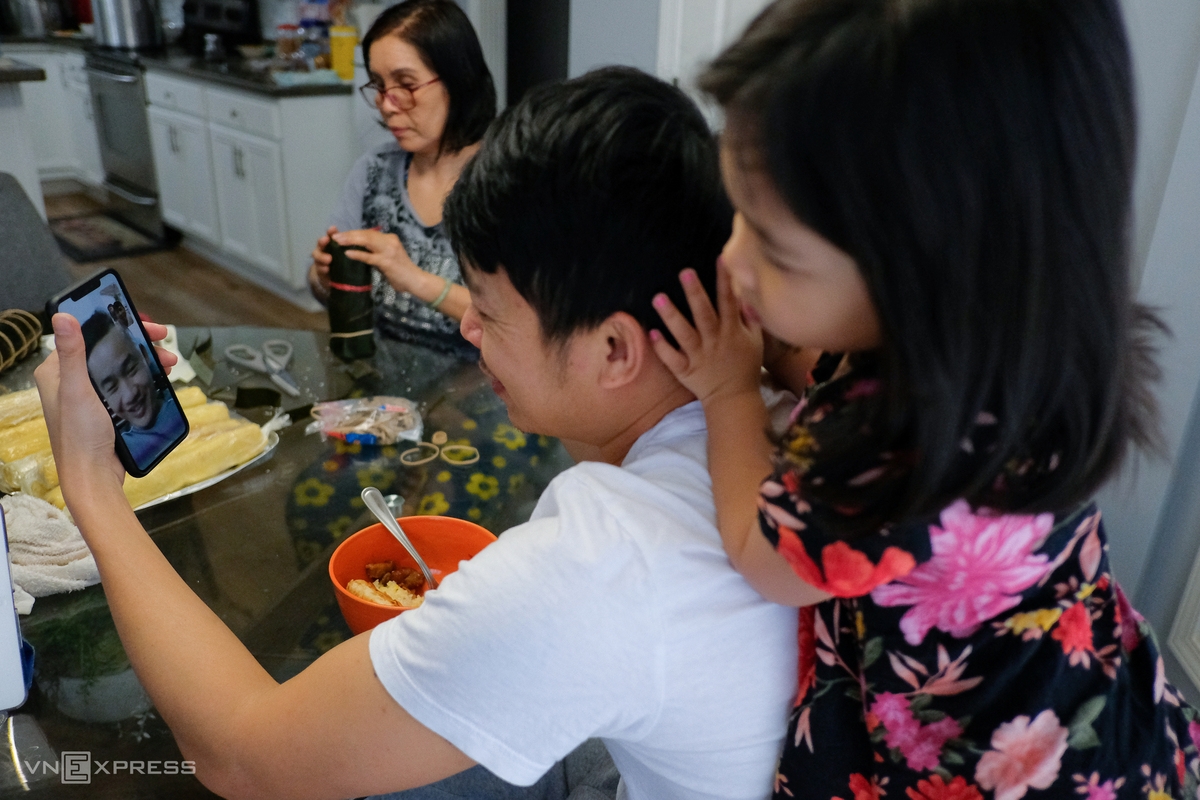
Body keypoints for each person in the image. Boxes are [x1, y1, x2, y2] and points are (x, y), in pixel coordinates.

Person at [35, 68, 798, 800]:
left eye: (490, 312)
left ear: (616, 350)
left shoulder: (605, 560)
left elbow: (241, 758)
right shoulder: (765, 407)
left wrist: (93, 490)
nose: (466, 324)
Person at [649, 0, 1200, 797]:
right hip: (1100, 700)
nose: (732, 260)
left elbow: (761, 559)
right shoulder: (1035, 337)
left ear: (924, 272)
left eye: (774, 251)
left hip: (989, 769)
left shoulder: (897, 449)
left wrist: (729, 389)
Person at [307, 0, 494, 356]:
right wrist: (324, 276)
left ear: (458, 79)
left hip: (477, 393)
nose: (387, 104)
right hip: (381, 381)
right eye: (379, 85)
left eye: (406, 85)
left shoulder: (507, 184)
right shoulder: (374, 170)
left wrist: (417, 281)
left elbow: (526, 330)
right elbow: (318, 289)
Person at [81, 311, 185, 466]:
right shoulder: (119, 454)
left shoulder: (180, 410)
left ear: (145, 355)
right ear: (102, 395)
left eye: (130, 369)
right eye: (112, 387)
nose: (130, 394)